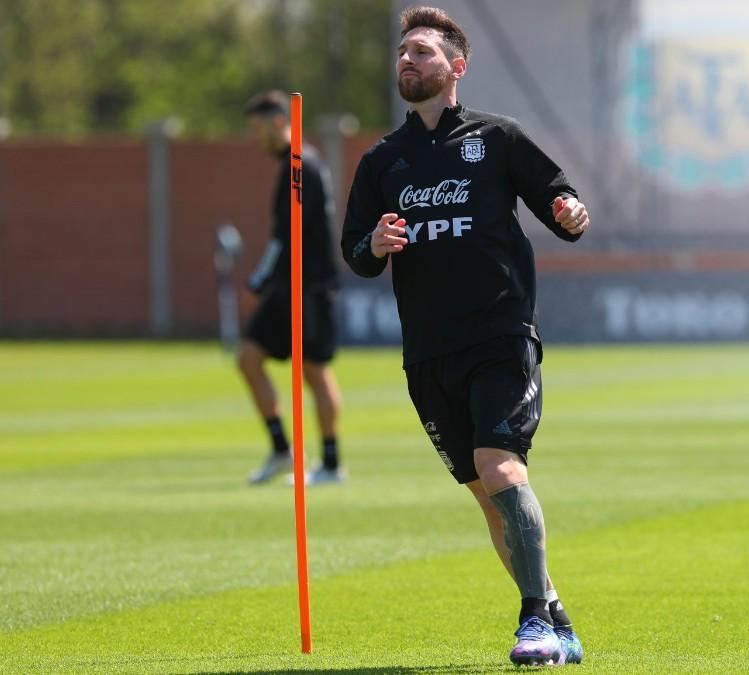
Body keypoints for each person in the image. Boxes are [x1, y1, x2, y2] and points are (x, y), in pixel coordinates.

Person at [341, 7, 589, 667]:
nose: (408, 61)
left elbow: (561, 203)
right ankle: (558, 618)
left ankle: (532, 620)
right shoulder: (383, 160)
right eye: (402, 52)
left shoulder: (497, 138)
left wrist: (570, 212)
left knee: (500, 467)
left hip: (501, 334)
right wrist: (375, 242)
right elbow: (354, 252)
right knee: (487, 495)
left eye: (422, 51)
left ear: (458, 66)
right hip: (427, 352)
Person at [239, 90, 345, 487]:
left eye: (259, 127)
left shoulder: (302, 165)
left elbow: (287, 235)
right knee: (249, 357)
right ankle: (283, 450)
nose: (257, 136)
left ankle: (331, 464)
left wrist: (256, 281)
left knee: (315, 371)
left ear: (280, 121)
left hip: (310, 285)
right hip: (289, 285)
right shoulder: (293, 163)